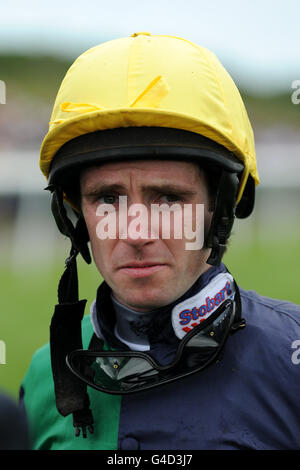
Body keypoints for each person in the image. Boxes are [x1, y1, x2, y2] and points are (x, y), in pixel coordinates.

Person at [20, 32, 300, 450]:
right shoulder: (44, 375)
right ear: (77, 216)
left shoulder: (291, 362)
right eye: (107, 199)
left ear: (220, 209)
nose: (135, 233)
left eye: (168, 198)